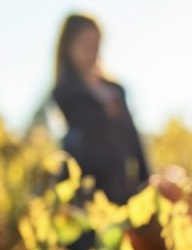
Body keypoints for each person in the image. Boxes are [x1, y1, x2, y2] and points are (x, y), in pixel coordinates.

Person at [51, 14, 150, 205]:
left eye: (96, 46)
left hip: (121, 187)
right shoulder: (65, 91)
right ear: (68, 48)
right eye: (85, 46)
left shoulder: (115, 90)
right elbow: (85, 124)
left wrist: (146, 183)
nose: (92, 52)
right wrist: (105, 111)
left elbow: (133, 139)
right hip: (85, 190)